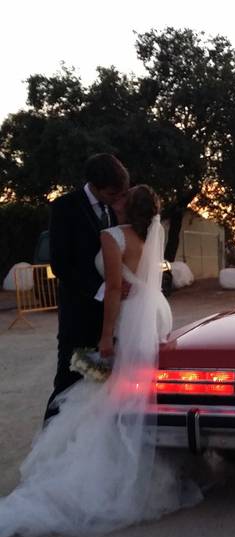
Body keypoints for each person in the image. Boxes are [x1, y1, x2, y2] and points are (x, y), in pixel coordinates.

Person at [0, 185, 201, 537]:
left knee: (112, 389)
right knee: (137, 386)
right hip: (153, 311)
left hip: (128, 316)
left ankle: (105, 470)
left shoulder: (112, 236)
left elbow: (112, 289)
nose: (117, 200)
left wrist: (106, 336)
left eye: (123, 197)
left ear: (127, 206)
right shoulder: (152, 236)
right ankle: (142, 459)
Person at [45, 154, 130, 421]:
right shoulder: (65, 207)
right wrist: (103, 290)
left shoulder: (113, 211)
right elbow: (60, 264)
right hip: (78, 315)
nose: (117, 198)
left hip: (108, 320)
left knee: (99, 383)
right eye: (112, 192)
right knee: (68, 381)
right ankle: (49, 441)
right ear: (94, 184)